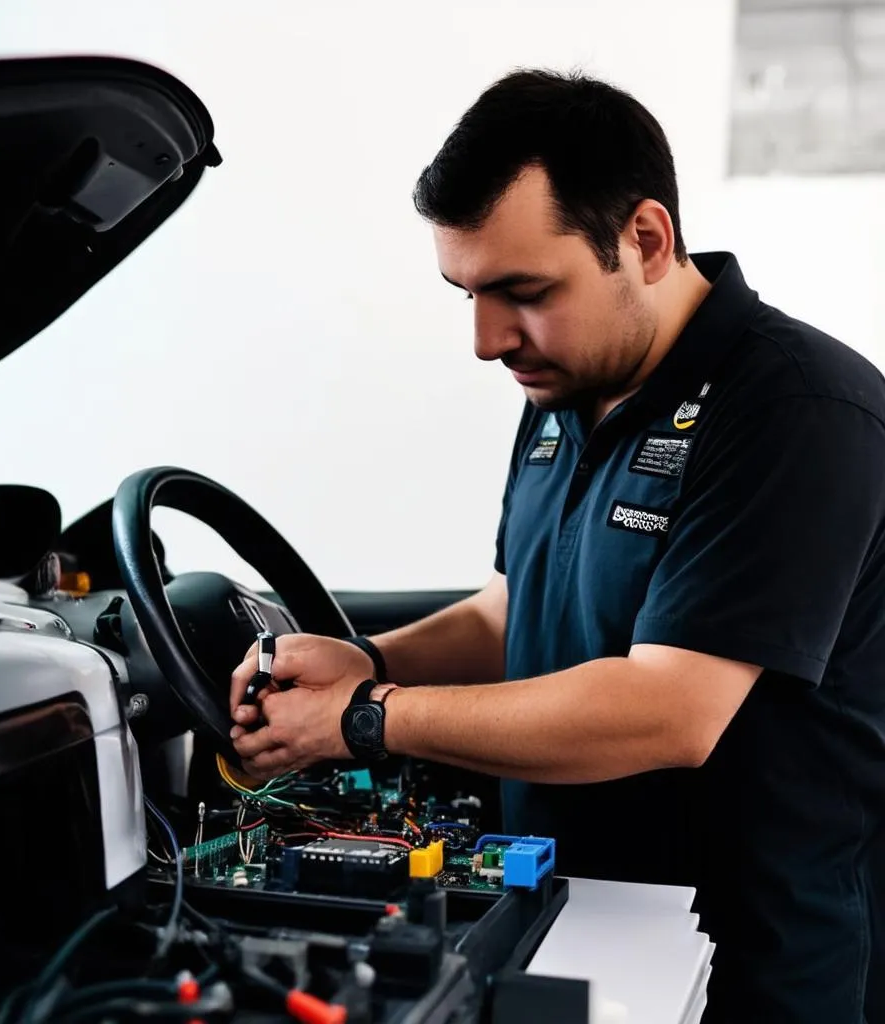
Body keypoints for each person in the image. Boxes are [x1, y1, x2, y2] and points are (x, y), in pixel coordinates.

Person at [227, 69, 885, 1024]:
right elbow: (513, 613)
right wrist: (369, 658)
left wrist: (365, 714)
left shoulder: (797, 410)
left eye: (523, 292)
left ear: (646, 241)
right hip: (555, 924)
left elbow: (671, 709)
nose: (490, 340)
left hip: (743, 970)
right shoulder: (562, 393)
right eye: (468, 295)